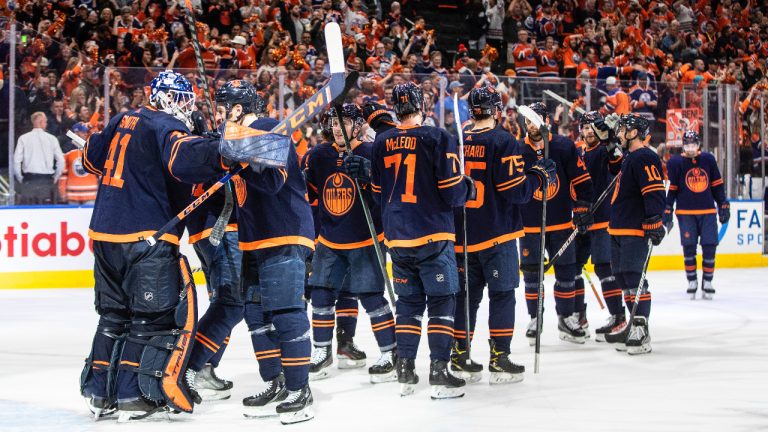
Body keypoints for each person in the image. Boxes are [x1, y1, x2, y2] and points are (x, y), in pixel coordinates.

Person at [78, 71, 229, 421]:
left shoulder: (121, 118)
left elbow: (90, 158)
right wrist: (218, 148)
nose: (185, 106)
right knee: (153, 318)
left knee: (113, 317)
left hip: (103, 235)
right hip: (146, 236)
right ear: (162, 97)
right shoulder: (164, 126)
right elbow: (184, 160)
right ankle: (134, 395)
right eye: (180, 98)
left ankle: (100, 393)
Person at [364, 82, 473, 399]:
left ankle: (405, 370)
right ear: (421, 106)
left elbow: (376, 193)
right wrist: (469, 188)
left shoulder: (381, 142)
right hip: (433, 234)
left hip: (397, 237)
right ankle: (439, 371)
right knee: (441, 300)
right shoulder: (438, 137)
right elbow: (453, 192)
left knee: (409, 304)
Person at [450, 86, 553, 385]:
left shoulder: (458, 140)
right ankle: (499, 357)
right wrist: (539, 176)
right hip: (497, 235)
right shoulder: (504, 141)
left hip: (463, 235)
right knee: (502, 295)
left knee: (466, 297)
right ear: (495, 110)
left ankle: (459, 354)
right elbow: (516, 192)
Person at [232, 81, 315, 424]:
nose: (220, 112)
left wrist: (236, 152)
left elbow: (273, 181)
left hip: (284, 234)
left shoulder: (267, 128)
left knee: (284, 311)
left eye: (225, 106)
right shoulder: (236, 137)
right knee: (256, 315)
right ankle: (277, 382)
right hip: (255, 239)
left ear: (238, 108)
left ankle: (300, 389)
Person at [304, 103, 397, 383]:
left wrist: (370, 175)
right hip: (330, 239)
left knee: (370, 296)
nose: (336, 127)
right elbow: (308, 195)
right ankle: (322, 352)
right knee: (320, 295)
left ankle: (390, 353)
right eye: (333, 122)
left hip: (366, 238)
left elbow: (390, 192)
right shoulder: (318, 155)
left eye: (343, 121)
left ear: (358, 125)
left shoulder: (372, 151)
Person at [182, 89, 250, 402]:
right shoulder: (215, 143)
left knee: (224, 303)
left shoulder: (202, 143)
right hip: (221, 228)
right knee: (232, 303)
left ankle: (205, 367)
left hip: (206, 232)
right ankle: (189, 368)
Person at [519, 102, 594, 345]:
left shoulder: (563, 146)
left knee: (566, 272)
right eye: (528, 121)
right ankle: (535, 317)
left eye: (536, 120)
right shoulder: (518, 149)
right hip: (530, 225)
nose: (532, 125)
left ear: (546, 121)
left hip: (561, 222)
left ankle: (566, 317)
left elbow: (582, 180)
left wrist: (582, 207)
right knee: (532, 275)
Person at [604, 114, 666, 355]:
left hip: (633, 228)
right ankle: (633, 324)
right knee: (623, 278)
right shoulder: (631, 157)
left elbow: (654, 190)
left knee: (634, 277)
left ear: (634, 133)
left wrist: (654, 219)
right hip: (619, 227)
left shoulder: (646, 156)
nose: (619, 133)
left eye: (623, 129)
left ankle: (641, 329)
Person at [573, 112, 625, 341]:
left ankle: (618, 316)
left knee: (604, 268)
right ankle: (578, 315)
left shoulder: (604, 151)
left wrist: (611, 140)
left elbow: (618, 163)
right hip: (580, 218)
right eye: (584, 128)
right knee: (572, 268)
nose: (587, 132)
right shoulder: (578, 152)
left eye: (591, 128)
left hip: (602, 219)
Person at [664, 131, 729, 299]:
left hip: (707, 212)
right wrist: (668, 209)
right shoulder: (676, 163)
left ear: (698, 144)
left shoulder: (708, 159)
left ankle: (707, 281)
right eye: (687, 145)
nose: (690, 148)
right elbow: (672, 189)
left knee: (709, 246)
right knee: (689, 247)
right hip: (685, 213)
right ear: (683, 146)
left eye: (693, 145)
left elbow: (716, 185)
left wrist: (723, 204)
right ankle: (692, 281)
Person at [14, 112, 65, 204]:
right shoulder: (52, 139)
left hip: (29, 181)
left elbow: (16, 161)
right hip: (47, 181)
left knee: (28, 213)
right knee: (48, 213)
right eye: (46, 122)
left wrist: (21, 178)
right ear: (41, 122)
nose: (46, 124)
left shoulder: (23, 138)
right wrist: (55, 177)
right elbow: (61, 161)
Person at [57, 122, 98, 205]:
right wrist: (62, 192)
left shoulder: (92, 148)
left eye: (86, 132)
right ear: (75, 133)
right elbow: (64, 174)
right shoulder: (67, 150)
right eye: (83, 132)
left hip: (91, 194)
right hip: (73, 195)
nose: (85, 134)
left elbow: (98, 171)